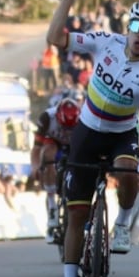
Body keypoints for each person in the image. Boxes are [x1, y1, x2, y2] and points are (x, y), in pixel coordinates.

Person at [46, 0, 139, 277]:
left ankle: (123, 224)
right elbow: (54, 37)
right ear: (129, 24)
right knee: (76, 215)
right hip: (87, 132)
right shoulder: (105, 42)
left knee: (128, 171)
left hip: (121, 135)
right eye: (138, 26)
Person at [31, 98, 80, 240]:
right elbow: (37, 147)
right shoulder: (47, 117)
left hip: (74, 145)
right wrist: (35, 166)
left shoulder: (85, 117)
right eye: (64, 127)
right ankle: (52, 205)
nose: (66, 131)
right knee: (47, 154)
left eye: (70, 128)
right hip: (54, 143)